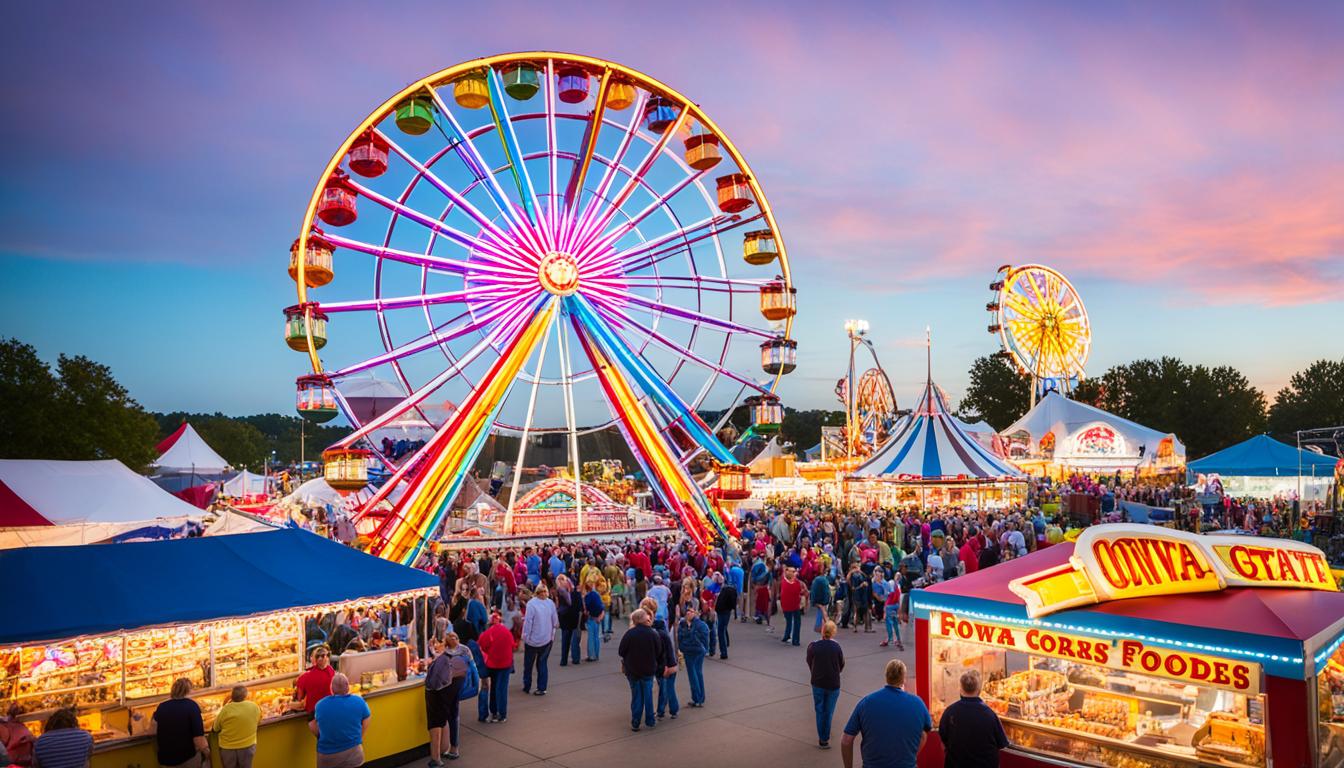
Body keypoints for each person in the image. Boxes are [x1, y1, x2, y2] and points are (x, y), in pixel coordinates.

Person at [841, 660, 931, 768]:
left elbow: (846, 740)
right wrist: (911, 756)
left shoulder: (866, 702)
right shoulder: (917, 703)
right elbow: (924, 735)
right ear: (903, 679)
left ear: (886, 676)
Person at [937, 670, 1008, 768]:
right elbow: (1002, 744)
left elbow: (943, 740)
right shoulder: (990, 715)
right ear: (979, 689)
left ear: (961, 688)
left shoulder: (950, 712)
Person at [309, 673, 370, 768]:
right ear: (348, 688)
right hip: (354, 754)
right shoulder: (359, 701)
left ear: (331, 689)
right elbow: (367, 718)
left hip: (328, 758)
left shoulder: (320, 705)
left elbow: (311, 723)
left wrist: (320, 735)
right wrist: (359, 737)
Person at [617, 609, 661, 732]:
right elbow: (658, 651)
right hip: (648, 669)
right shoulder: (653, 633)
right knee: (648, 695)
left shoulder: (630, 634)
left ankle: (635, 722)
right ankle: (650, 720)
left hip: (633, 670)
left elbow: (621, 651)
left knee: (636, 696)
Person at [150, 678, 207, 768]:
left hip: (166, 759)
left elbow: (152, 731)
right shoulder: (191, 706)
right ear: (188, 691)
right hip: (187, 758)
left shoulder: (161, 707)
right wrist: (208, 753)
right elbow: (198, 738)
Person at [806, 621, 845, 749]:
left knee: (819, 710)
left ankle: (822, 737)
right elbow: (841, 664)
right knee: (828, 712)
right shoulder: (837, 647)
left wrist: (814, 671)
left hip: (817, 682)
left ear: (822, 631)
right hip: (833, 683)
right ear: (833, 632)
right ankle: (825, 737)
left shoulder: (813, 646)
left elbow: (809, 660)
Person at [478, 612, 516, 723]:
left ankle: (493, 711)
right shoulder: (507, 632)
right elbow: (513, 645)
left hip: (493, 663)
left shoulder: (488, 632)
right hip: (505, 663)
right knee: (502, 688)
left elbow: (482, 645)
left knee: (494, 687)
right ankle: (502, 714)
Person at [520, 583, 557, 696]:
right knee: (542, 663)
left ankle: (527, 685)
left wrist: (525, 636)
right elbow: (555, 621)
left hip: (533, 640)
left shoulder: (531, 604)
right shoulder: (550, 603)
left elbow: (528, 622)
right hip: (546, 639)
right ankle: (542, 687)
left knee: (528, 664)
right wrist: (552, 635)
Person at [211, 686, 260, 768]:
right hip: (248, 746)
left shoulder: (226, 710)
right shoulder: (254, 706)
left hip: (228, 748)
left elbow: (215, 729)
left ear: (232, 696)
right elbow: (258, 720)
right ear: (245, 696)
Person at [676, 604, 709, 708]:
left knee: (695, 674)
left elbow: (705, 638)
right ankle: (698, 698)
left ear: (696, 613)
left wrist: (703, 648)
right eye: (687, 611)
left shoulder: (700, 625)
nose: (688, 613)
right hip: (689, 651)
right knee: (695, 674)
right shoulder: (682, 624)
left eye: (691, 611)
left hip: (697, 652)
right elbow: (680, 637)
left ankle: (698, 698)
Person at [293, 645, 335, 714]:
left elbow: (299, 698)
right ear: (327, 658)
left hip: (314, 714)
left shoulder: (304, 676)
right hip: (331, 709)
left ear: (313, 659)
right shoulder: (331, 671)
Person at [652, 615, 679, 720]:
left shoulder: (659, 635)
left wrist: (664, 667)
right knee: (670, 689)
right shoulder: (665, 634)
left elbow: (662, 654)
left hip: (665, 667)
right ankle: (673, 711)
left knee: (664, 690)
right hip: (672, 665)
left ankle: (661, 711)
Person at [779, 565, 806, 646]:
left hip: (786, 606)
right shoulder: (796, 584)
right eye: (794, 571)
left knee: (789, 621)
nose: (796, 573)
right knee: (797, 622)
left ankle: (786, 635)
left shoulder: (784, 582)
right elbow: (800, 592)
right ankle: (795, 640)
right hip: (795, 606)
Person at [713, 574, 736, 659]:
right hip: (727, 610)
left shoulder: (719, 590)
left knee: (720, 631)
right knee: (724, 628)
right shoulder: (728, 588)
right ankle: (726, 644)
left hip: (721, 611)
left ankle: (724, 652)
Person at [583, 579, 605, 661]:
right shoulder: (597, 595)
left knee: (591, 638)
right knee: (596, 637)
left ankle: (591, 656)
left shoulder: (587, 597)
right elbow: (601, 606)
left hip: (591, 617)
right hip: (598, 617)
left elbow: (586, 609)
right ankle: (596, 654)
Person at [881, 573, 904, 651]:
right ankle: (897, 639)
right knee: (895, 623)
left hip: (890, 605)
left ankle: (890, 639)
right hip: (895, 605)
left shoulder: (891, 583)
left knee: (889, 623)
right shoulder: (898, 586)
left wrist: (885, 606)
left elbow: (888, 594)